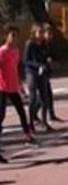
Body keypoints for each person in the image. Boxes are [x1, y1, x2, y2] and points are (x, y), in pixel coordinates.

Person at [0, 25, 36, 158]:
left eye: (16, 36)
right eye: (12, 35)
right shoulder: (2, 51)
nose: (14, 38)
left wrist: (20, 85)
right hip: (2, 88)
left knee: (21, 112)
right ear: (6, 36)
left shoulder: (16, 51)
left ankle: (28, 136)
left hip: (13, 87)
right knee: (1, 116)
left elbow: (15, 70)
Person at [23, 24, 52, 132]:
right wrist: (38, 65)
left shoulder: (44, 44)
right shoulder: (30, 44)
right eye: (38, 32)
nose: (40, 35)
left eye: (41, 32)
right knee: (33, 98)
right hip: (31, 73)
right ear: (34, 33)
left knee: (45, 98)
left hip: (42, 73)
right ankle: (31, 123)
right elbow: (26, 61)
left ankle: (44, 122)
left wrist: (47, 62)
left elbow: (45, 57)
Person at [33, 24, 62, 123]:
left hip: (46, 73)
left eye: (51, 34)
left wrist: (53, 61)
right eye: (48, 33)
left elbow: (52, 56)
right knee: (43, 96)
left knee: (47, 95)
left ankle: (50, 115)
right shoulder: (38, 45)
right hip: (38, 74)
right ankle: (34, 114)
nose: (50, 36)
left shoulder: (48, 45)